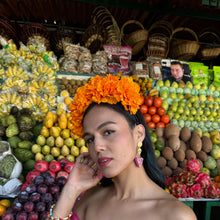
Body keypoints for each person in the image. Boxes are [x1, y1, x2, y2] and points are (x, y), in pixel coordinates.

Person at [48, 74, 197, 220]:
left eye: (108, 132)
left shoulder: (176, 215)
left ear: (138, 134)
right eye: (90, 139)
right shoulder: (89, 200)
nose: (97, 147)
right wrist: (71, 189)